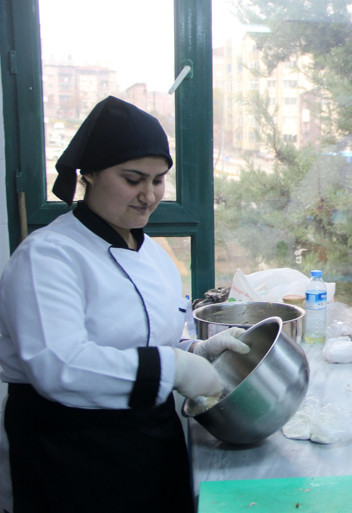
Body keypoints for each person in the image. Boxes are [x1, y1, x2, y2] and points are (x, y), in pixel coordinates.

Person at [0, 96, 249, 512]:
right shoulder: (48, 255)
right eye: (133, 179)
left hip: (149, 442)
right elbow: (58, 365)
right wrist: (175, 368)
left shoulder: (151, 253)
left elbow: (149, 335)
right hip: (69, 453)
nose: (148, 196)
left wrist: (194, 350)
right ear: (90, 175)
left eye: (158, 180)